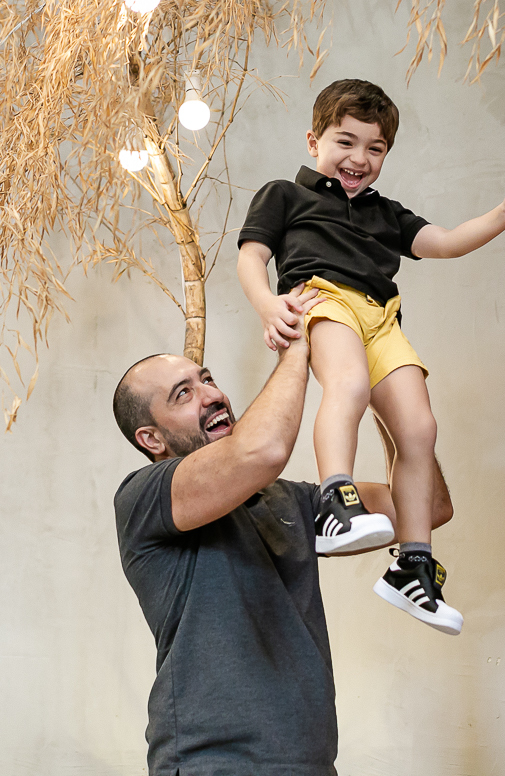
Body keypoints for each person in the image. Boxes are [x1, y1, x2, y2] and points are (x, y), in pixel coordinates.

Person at [237, 78, 505, 635]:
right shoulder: (284, 194)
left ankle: (414, 566)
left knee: (420, 428)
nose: (359, 158)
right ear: (314, 141)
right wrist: (267, 305)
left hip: (382, 315)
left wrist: (503, 216)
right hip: (321, 295)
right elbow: (251, 257)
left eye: (374, 148)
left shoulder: (386, 213)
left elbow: (446, 241)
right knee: (348, 386)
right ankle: (337, 500)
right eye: (345, 142)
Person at [110, 294, 453, 776]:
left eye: (206, 378)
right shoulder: (145, 497)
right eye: (183, 394)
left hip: (311, 765)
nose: (211, 394)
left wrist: (381, 382)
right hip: (212, 764)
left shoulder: (290, 499)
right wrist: (298, 345)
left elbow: (428, 506)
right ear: (152, 439)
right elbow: (263, 449)